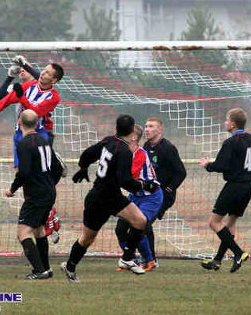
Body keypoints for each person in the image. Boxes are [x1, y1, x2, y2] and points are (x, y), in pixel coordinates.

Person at [60, 114, 150, 283]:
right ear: (132, 131)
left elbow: (87, 154)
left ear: (116, 128)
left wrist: (83, 167)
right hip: (99, 199)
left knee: (140, 221)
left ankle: (127, 258)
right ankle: (70, 267)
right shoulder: (124, 151)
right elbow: (126, 182)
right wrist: (144, 186)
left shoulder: (108, 141)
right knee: (87, 238)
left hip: (113, 196)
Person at [199, 108, 251, 273]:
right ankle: (217, 260)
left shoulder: (230, 142)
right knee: (230, 223)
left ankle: (238, 253)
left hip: (234, 186)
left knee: (214, 222)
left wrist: (207, 165)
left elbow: (221, 166)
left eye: (226, 120)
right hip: (248, 186)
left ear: (232, 124)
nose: (225, 123)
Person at [5, 109, 63, 280]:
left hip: (36, 195)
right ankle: (46, 268)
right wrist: (49, 184)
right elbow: (58, 168)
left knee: (23, 233)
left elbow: (23, 173)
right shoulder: (44, 141)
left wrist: (12, 190)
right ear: (37, 124)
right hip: (49, 192)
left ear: (19, 122)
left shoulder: (23, 144)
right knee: (39, 231)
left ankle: (39, 270)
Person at [0, 62, 64, 169]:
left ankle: (55, 165)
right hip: (20, 133)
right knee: (20, 171)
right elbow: (6, 100)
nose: (42, 73)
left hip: (39, 135)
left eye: (47, 73)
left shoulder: (54, 97)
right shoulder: (27, 86)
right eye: (44, 70)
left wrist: (21, 97)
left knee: (39, 172)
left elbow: (34, 114)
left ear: (54, 80)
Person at [114, 124, 163, 271]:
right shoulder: (122, 152)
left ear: (134, 138)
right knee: (120, 229)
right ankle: (131, 259)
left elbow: (130, 176)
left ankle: (150, 260)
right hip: (136, 195)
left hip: (151, 197)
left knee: (138, 226)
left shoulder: (140, 154)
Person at [142, 117, 186, 269]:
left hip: (163, 196)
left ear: (160, 130)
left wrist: (169, 189)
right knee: (141, 223)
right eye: (146, 126)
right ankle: (147, 258)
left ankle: (151, 260)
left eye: (151, 126)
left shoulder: (168, 148)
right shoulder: (146, 146)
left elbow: (181, 172)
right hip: (149, 194)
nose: (147, 129)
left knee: (144, 223)